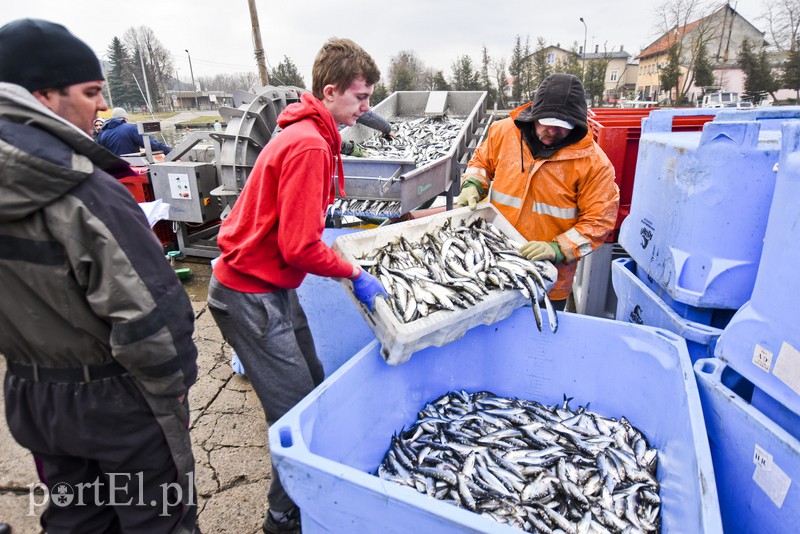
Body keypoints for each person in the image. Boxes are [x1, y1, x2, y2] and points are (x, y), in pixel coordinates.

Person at [0, 19, 199, 533]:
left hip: (33, 397)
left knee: (78, 518)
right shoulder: (84, 192)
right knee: (161, 520)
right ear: (43, 95)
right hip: (117, 404)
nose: (100, 108)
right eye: (90, 92)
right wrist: (174, 390)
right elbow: (153, 316)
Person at [207, 37, 387, 534]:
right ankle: (284, 518)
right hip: (249, 293)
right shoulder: (309, 143)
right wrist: (355, 273)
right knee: (297, 422)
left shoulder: (312, 132)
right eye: (360, 98)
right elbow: (299, 247)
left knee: (315, 391)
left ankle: (301, 496)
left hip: (272, 285)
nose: (366, 109)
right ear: (329, 93)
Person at [457, 73, 619, 310]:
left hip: (549, 279)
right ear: (534, 115)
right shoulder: (502, 132)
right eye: (547, 123)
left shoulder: (594, 164)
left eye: (562, 127)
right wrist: (472, 185)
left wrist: (558, 248)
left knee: (538, 341)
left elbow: (599, 222)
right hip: (494, 262)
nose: (552, 132)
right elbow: (481, 163)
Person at [97, 106, 173, 156]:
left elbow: (100, 153)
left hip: (113, 170)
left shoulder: (103, 133)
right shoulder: (130, 128)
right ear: (125, 118)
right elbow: (151, 144)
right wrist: (170, 152)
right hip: (130, 167)